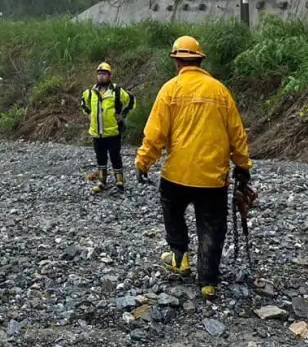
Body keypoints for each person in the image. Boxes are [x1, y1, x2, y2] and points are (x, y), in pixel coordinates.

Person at [135, 35, 252, 297]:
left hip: (176, 175)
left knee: (173, 213)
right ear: (200, 60)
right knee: (211, 225)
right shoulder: (220, 91)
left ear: (177, 61)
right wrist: (243, 166)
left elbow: (155, 134)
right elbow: (237, 133)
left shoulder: (170, 90)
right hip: (212, 178)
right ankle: (208, 282)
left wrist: (143, 162)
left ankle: (180, 259)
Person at [81, 62, 135, 194]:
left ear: (110, 76)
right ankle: (102, 181)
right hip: (97, 133)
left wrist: (123, 114)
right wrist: (89, 114)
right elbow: (84, 104)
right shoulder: (90, 93)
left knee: (115, 156)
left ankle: (119, 180)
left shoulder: (116, 91)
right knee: (100, 158)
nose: (101, 77)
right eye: (99, 74)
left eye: (104, 74)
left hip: (113, 131)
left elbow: (131, 100)